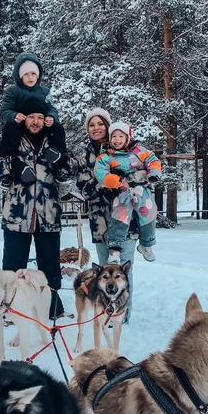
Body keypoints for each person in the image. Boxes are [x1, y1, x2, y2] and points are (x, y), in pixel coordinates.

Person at [0, 99, 70, 320]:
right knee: (12, 268)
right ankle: (9, 311)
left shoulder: (52, 141)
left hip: (48, 216)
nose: (36, 121)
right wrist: (13, 166)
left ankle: (52, 308)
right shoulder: (12, 141)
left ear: (45, 120)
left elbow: (69, 173)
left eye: (40, 117)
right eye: (31, 117)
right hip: (16, 215)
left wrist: (60, 161)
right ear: (24, 119)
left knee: (49, 267)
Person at [75, 108, 139, 323]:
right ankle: (107, 314)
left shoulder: (125, 149)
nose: (96, 128)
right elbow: (83, 185)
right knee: (104, 269)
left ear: (108, 126)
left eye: (100, 124)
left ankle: (123, 315)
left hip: (126, 218)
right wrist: (106, 182)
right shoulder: (85, 154)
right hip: (99, 218)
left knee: (123, 269)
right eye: (91, 125)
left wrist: (127, 182)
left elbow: (140, 174)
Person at [93, 121, 162, 264]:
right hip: (122, 193)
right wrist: (116, 181)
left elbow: (153, 160)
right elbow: (100, 173)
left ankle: (146, 244)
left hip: (141, 191)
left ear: (128, 138)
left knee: (148, 214)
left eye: (121, 136)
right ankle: (115, 250)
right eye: (114, 136)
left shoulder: (140, 151)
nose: (117, 140)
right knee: (120, 218)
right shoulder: (106, 156)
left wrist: (153, 174)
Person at [0, 52, 66, 167]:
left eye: (33, 74)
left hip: (40, 125)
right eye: (26, 74)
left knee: (57, 128)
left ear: (38, 75)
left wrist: (52, 117)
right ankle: (9, 160)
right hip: (21, 126)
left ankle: (58, 156)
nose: (30, 77)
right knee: (10, 129)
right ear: (20, 76)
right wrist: (14, 116)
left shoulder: (45, 92)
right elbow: (4, 112)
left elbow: (52, 108)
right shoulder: (13, 91)